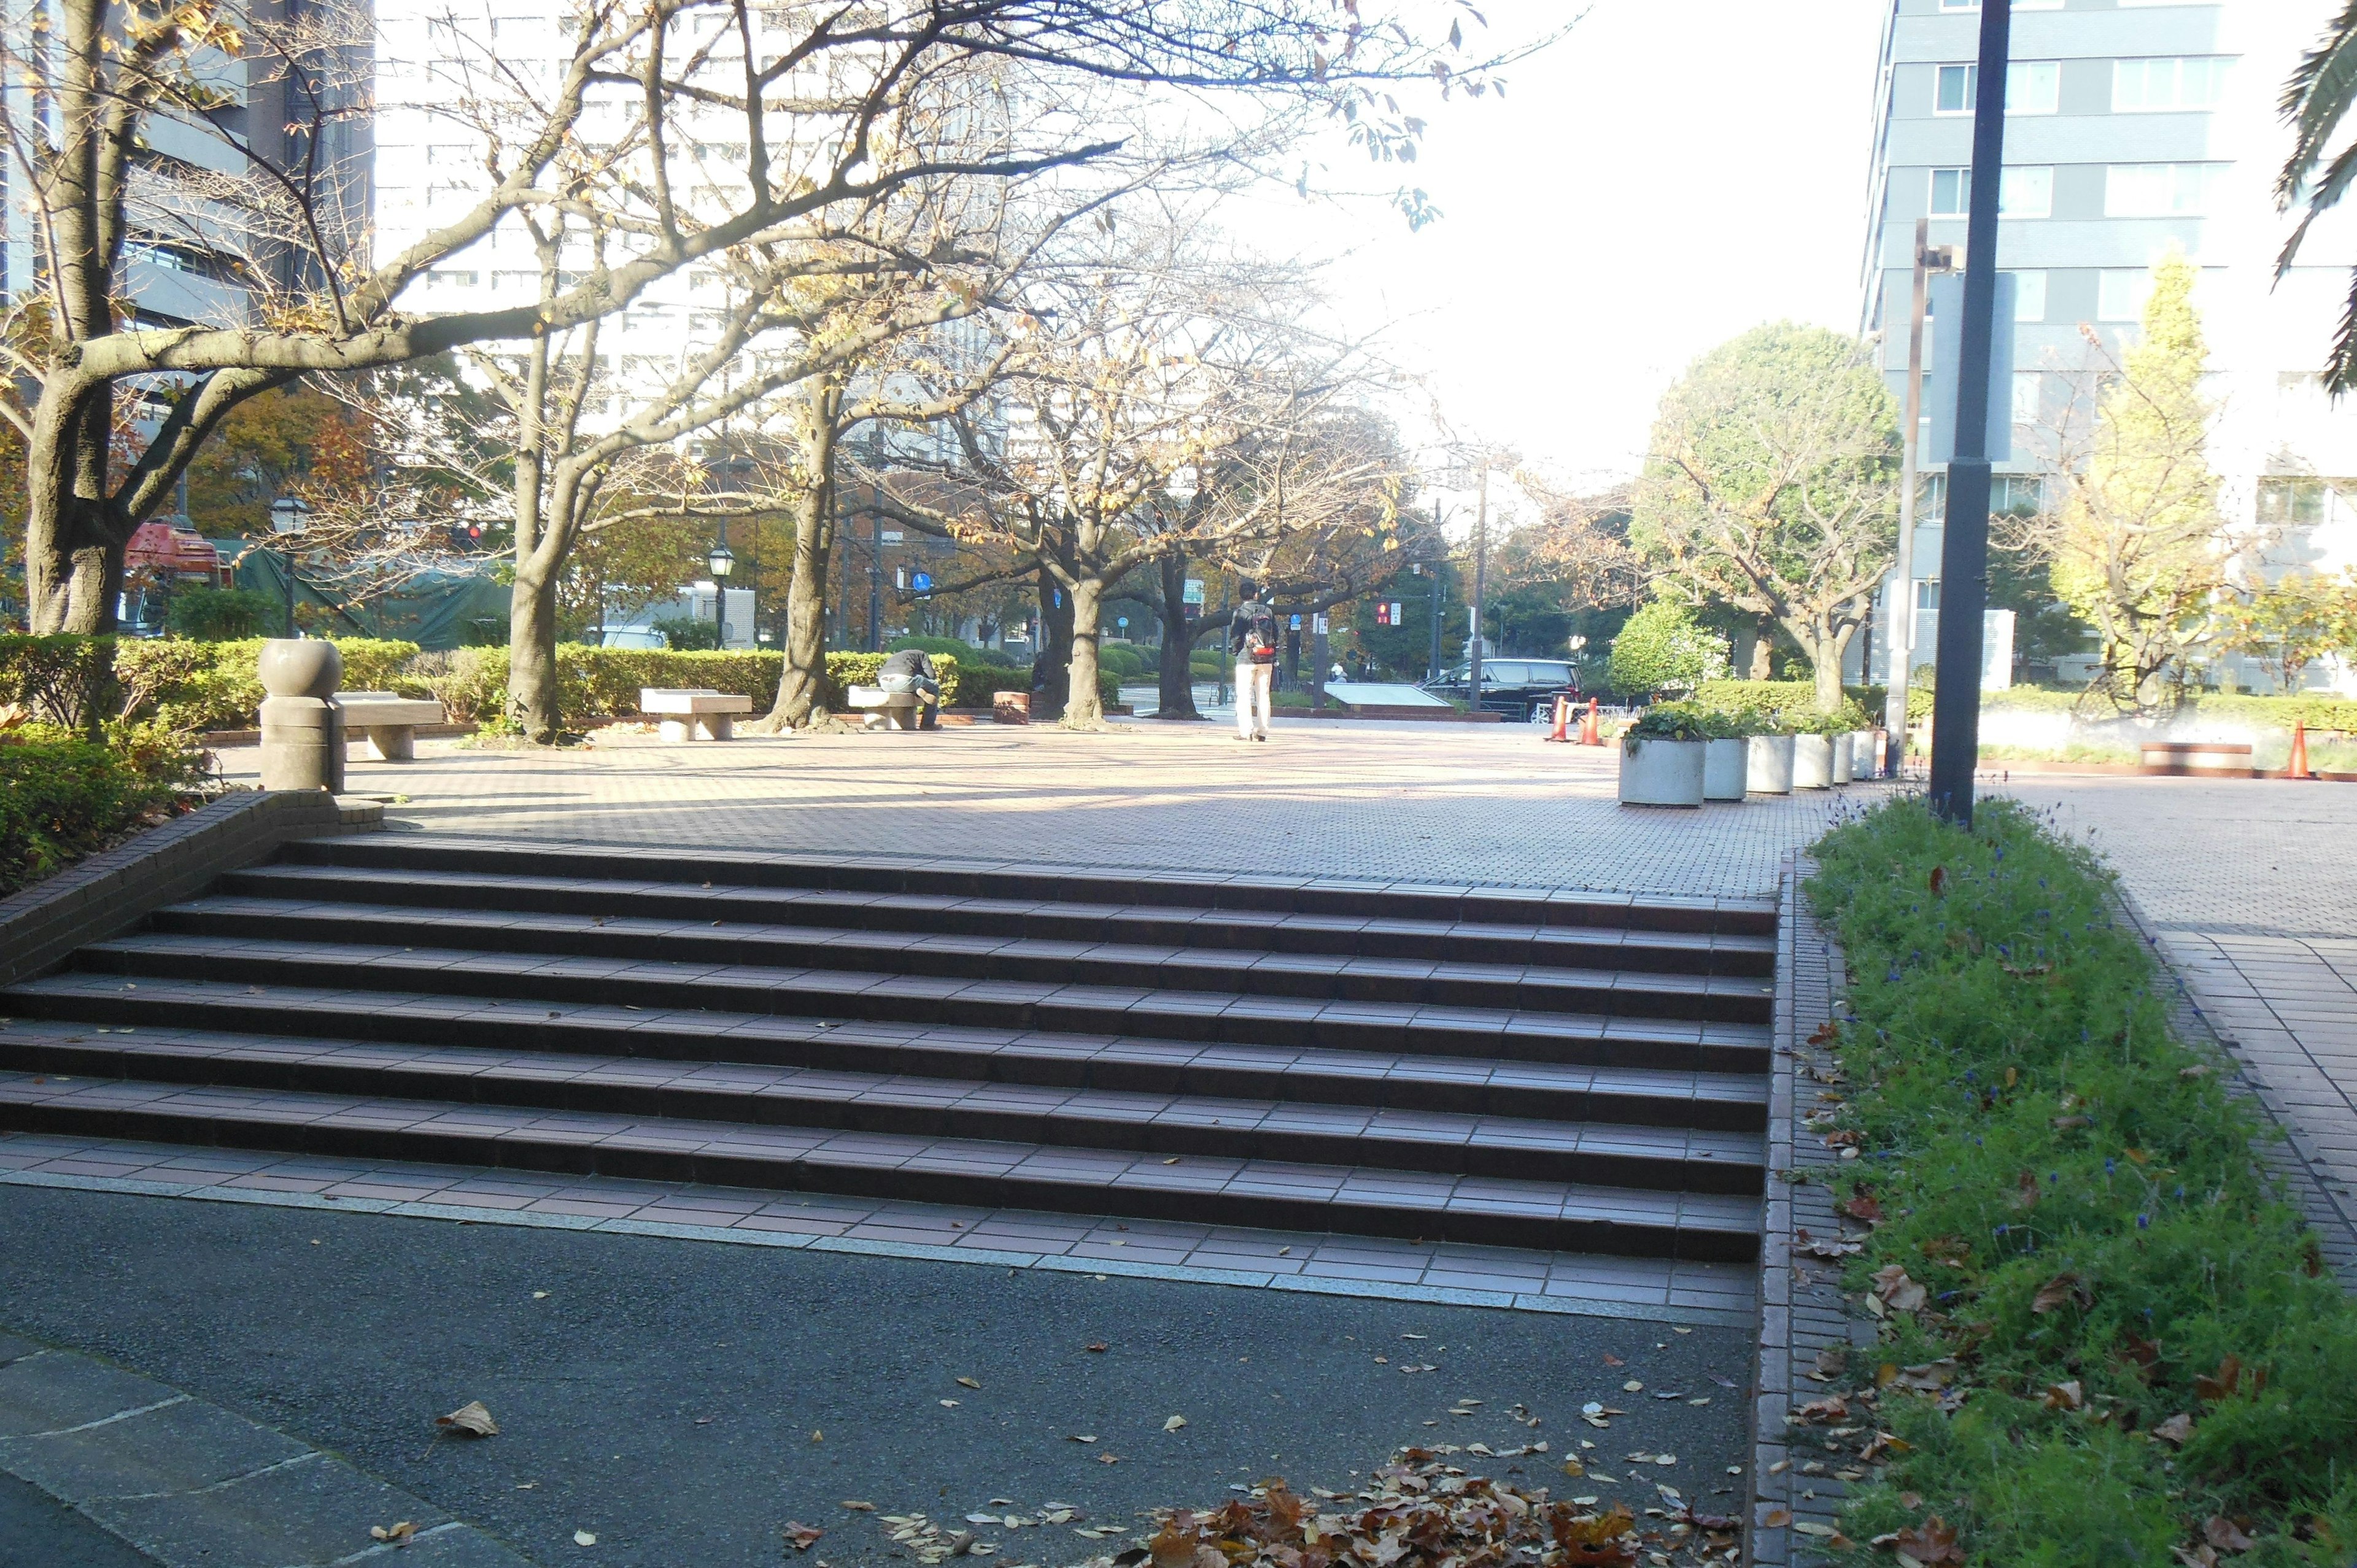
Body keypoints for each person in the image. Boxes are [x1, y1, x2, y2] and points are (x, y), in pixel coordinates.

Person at [1230, 599, 1279, 741]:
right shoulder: (1267, 611)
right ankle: (1263, 732)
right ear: (1256, 595)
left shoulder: (1240, 613)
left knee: (1244, 696)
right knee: (1263, 695)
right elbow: (1275, 633)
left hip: (1246, 659)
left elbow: (1236, 637)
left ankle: (1247, 731)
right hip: (1266, 658)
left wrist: (1236, 651)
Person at [875, 646, 942, 729]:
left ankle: (917, 690)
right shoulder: (922, 655)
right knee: (934, 685)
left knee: (911, 683)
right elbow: (931, 675)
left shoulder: (897, 656)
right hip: (904, 679)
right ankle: (928, 724)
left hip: (884, 683)